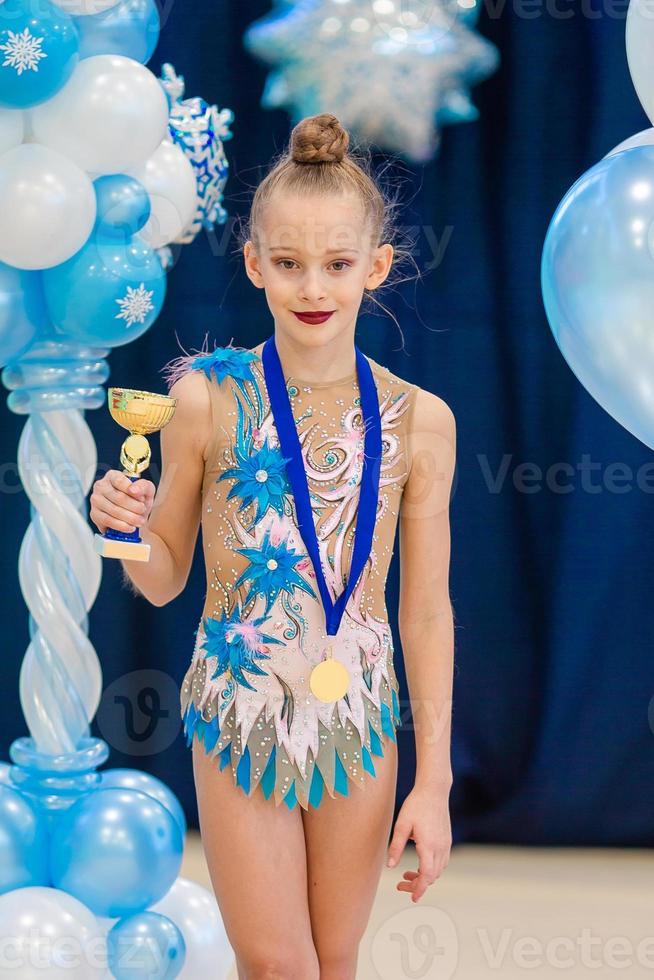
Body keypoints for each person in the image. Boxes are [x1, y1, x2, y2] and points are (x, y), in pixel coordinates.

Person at [90, 112, 456, 980]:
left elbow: (427, 610)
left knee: (334, 961)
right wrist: (124, 529)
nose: (312, 286)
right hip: (240, 706)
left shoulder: (421, 422)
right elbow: (166, 577)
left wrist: (433, 783)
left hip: (359, 714)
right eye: (287, 263)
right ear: (255, 263)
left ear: (377, 266)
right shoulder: (207, 401)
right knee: (278, 963)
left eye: (336, 264)